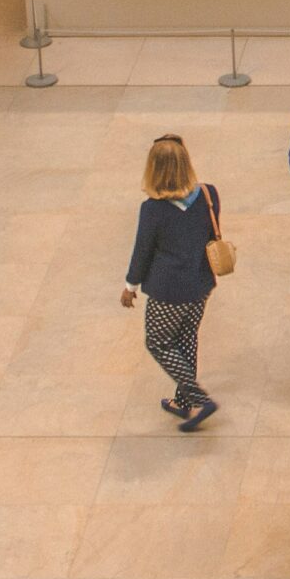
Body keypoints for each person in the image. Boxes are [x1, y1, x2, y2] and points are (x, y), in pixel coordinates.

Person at [121, 135, 223, 431]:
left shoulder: (153, 210)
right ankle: (183, 403)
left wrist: (130, 286)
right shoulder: (208, 194)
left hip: (168, 290)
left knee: (158, 341)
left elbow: (142, 251)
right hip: (201, 281)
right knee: (186, 337)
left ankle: (199, 398)